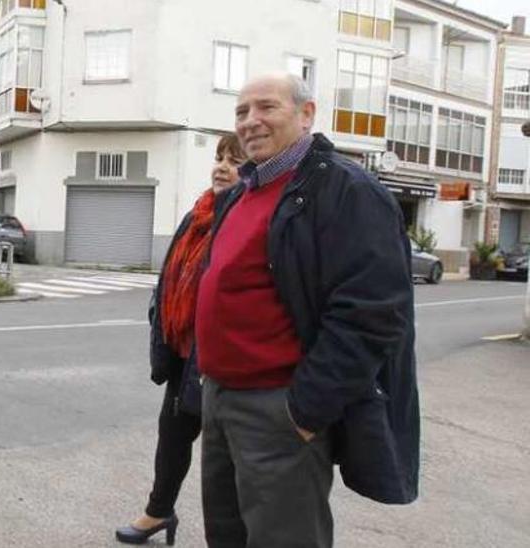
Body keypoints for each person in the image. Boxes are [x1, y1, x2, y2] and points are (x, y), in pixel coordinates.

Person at [195, 73, 420, 548]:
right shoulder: (243, 192)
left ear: (306, 114)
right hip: (222, 401)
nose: (250, 122)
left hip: (278, 409)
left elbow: (371, 313)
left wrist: (305, 410)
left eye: (266, 108)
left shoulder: (346, 190)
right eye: (241, 112)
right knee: (227, 536)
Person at [115, 135, 246, 545]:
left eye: (235, 160)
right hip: (187, 355)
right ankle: (158, 512)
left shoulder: (247, 217)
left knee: (230, 463)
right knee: (171, 438)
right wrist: (161, 316)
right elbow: (172, 272)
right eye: (219, 157)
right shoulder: (198, 215)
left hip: (228, 363)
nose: (222, 167)